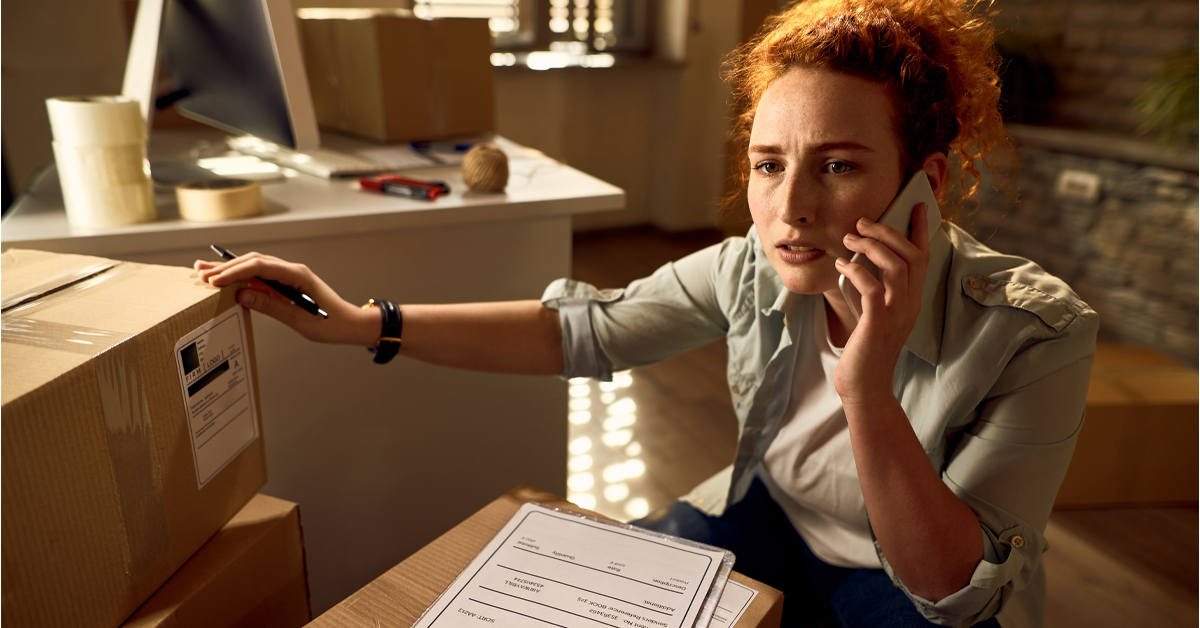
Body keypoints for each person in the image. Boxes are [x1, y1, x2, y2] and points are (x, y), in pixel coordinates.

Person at [196, 1, 1097, 626]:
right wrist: (364, 322)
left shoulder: (1038, 334)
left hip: (905, 583)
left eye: (838, 165)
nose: (789, 211)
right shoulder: (753, 265)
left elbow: (949, 586)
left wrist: (865, 381)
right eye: (770, 163)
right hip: (764, 517)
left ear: (923, 184)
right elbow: (577, 329)